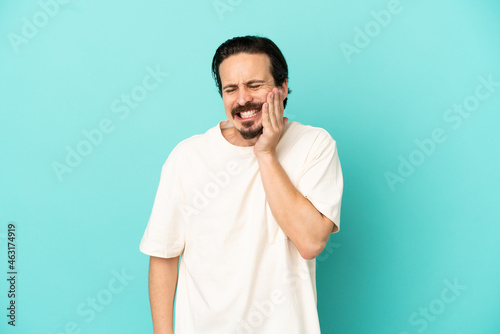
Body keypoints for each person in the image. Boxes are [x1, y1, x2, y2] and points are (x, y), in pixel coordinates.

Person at [139, 35, 343, 334]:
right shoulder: (188, 157)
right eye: (230, 89)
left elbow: (311, 242)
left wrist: (265, 153)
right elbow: (164, 255)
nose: (243, 99)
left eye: (255, 85)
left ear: (282, 87)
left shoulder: (314, 145)